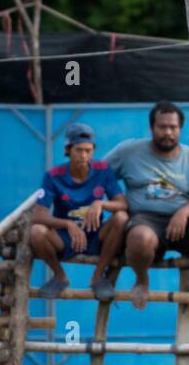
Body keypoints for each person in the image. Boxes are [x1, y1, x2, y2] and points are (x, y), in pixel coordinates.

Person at [100, 102, 189, 308]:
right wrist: (114, 202)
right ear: (152, 127)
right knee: (140, 238)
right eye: (162, 127)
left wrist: (182, 213)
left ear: (180, 129)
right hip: (144, 219)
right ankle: (142, 280)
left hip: (185, 222)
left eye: (173, 127)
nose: (168, 132)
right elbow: (99, 175)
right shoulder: (129, 151)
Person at [29, 123, 129, 301]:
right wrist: (67, 224)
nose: (84, 156)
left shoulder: (103, 170)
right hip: (65, 238)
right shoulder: (53, 175)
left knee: (121, 218)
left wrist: (101, 204)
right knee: (37, 231)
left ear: (93, 151)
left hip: (96, 235)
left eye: (88, 151)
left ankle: (98, 277)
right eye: (79, 150)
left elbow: (122, 204)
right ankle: (59, 276)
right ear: (68, 150)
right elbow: (38, 215)